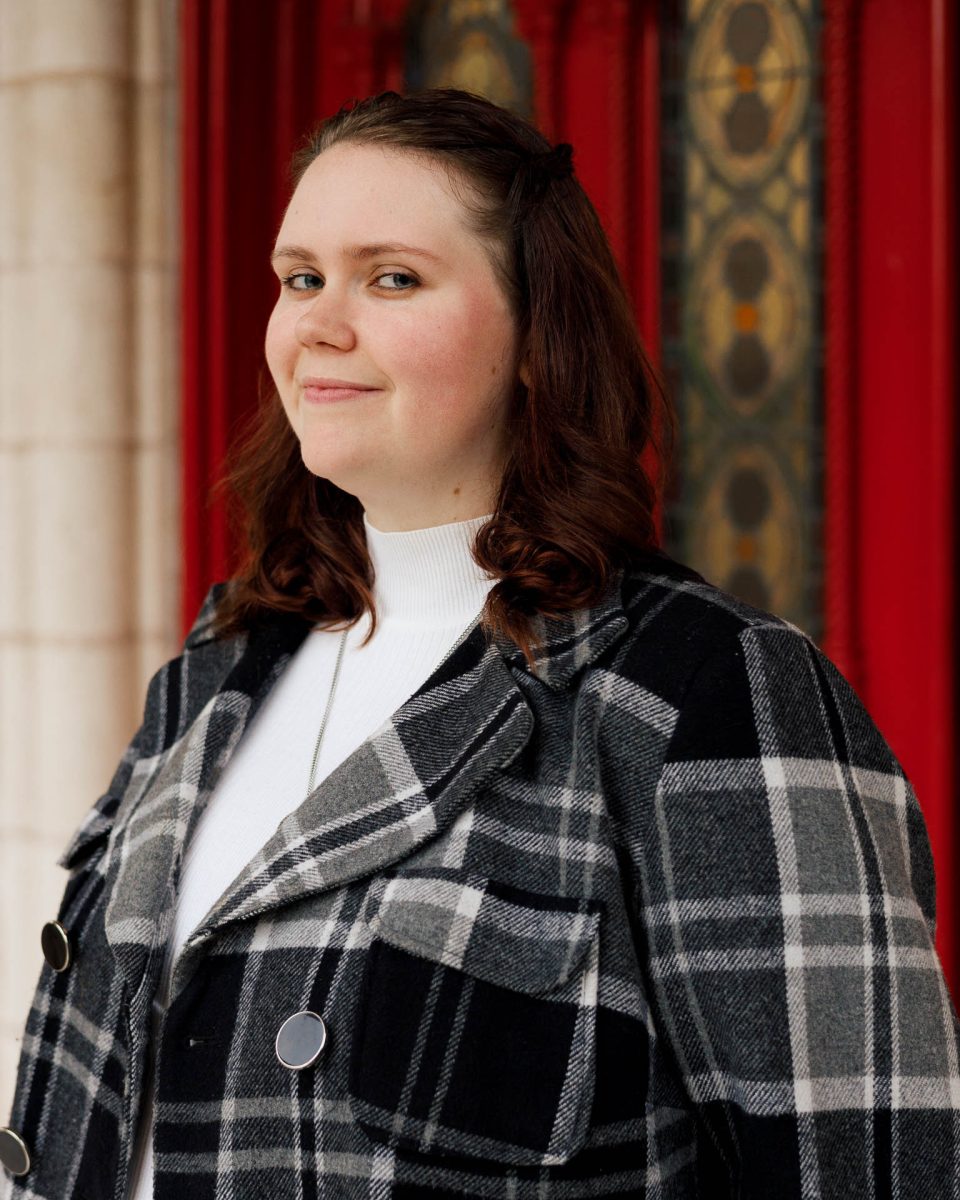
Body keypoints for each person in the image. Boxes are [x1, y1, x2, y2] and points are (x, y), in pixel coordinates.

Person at [1, 87, 958, 1200]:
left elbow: (867, 1168)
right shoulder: (220, 665)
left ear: (534, 336)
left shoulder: (697, 691)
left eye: (391, 277)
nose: (317, 322)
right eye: (301, 277)